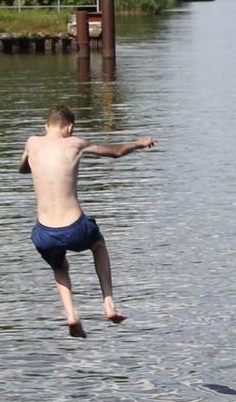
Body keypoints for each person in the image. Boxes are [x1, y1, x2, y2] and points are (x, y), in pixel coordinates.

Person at [19, 104, 155, 337]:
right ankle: (108, 303)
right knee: (98, 244)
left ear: (46, 126)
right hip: (75, 228)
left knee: (59, 267)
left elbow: (22, 169)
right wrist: (138, 143)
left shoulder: (32, 143)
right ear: (69, 128)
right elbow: (115, 152)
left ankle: (71, 315)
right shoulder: (76, 143)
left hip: (44, 233)